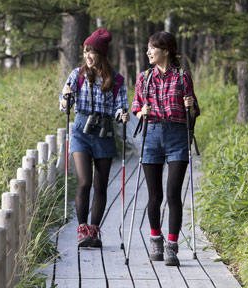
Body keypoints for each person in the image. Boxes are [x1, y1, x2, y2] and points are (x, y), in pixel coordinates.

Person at [130, 31, 200, 266]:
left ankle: (172, 247)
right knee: (154, 195)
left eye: (152, 48)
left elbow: (192, 113)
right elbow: (136, 106)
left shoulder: (182, 77)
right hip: (151, 136)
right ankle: (155, 241)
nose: (148, 52)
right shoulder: (144, 78)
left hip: (177, 136)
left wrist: (190, 106)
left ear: (166, 51)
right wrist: (141, 112)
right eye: (148, 48)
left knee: (172, 194)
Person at [60, 27, 129, 248]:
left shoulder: (116, 80)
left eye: (93, 52)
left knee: (100, 185)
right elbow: (64, 105)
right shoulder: (76, 75)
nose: (88, 56)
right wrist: (65, 100)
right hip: (81, 130)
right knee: (84, 181)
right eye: (86, 51)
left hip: (104, 133)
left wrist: (122, 114)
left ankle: (94, 231)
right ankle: (82, 230)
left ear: (102, 55)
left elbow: (120, 107)